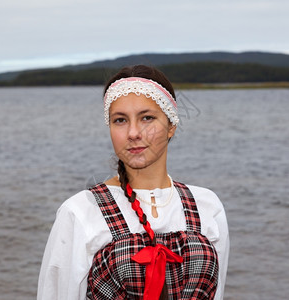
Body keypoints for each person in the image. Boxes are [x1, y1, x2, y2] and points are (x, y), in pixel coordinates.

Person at [37, 65, 229, 300]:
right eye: (120, 120)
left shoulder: (206, 206)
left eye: (147, 118)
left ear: (171, 125)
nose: (133, 133)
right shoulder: (80, 212)